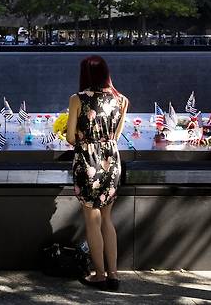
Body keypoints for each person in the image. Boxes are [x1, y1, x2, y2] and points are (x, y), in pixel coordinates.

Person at [67, 55, 128, 292]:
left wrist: (84, 137)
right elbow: (117, 135)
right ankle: (114, 275)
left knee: (92, 220)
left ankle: (100, 275)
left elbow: (70, 137)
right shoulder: (121, 100)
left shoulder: (78, 99)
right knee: (107, 219)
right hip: (111, 162)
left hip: (88, 162)